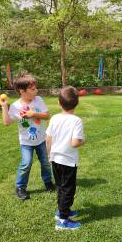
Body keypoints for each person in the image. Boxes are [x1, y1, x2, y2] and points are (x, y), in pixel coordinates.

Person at [0, 72, 55, 200]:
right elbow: (6, 122)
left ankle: (48, 182)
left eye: (35, 88)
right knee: (26, 163)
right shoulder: (15, 106)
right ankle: (20, 187)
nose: (36, 90)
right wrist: (4, 107)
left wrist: (33, 114)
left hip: (41, 139)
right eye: (32, 89)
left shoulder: (38, 100)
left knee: (46, 163)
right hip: (26, 142)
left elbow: (47, 116)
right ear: (22, 91)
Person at [46, 86, 85, 230]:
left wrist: (49, 155)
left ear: (58, 103)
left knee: (61, 187)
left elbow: (48, 139)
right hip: (68, 162)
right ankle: (63, 221)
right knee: (68, 190)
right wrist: (82, 141)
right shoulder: (76, 120)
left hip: (55, 159)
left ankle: (62, 211)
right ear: (77, 103)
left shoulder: (55, 118)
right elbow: (75, 143)